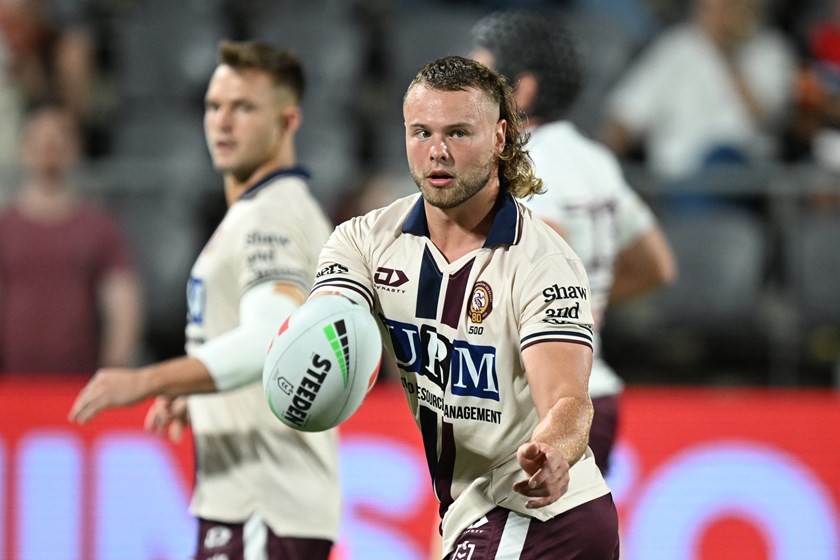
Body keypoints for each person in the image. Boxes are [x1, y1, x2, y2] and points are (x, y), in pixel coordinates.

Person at [309, 55, 619, 559]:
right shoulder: (362, 241)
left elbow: (567, 399)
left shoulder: (543, 261)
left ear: (499, 138)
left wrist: (555, 454)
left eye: (458, 132)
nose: (437, 151)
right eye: (421, 132)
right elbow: (325, 321)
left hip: (539, 511)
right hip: (474, 511)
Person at [68, 40, 340, 560]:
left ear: (288, 121)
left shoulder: (271, 216)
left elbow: (271, 338)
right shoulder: (269, 209)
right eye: (214, 106)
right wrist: (207, 391)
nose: (223, 122)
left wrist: (147, 378)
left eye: (244, 107)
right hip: (259, 504)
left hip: (263, 504)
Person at [470, 8, 677, 477]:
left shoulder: (525, 168)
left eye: (479, 79)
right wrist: (586, 305)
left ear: (521, 90)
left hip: (535, 409)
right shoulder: (593, 158)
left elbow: (542, 258)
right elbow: (655, 265)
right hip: (592, 394)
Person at [0, 104, 141, 373]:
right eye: (40, 140)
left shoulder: (99, 227)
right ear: (24, 149)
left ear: (75, 148)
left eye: (58, 140)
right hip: (11, 387)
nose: (49, 149)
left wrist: (115, 365)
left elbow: (123, 301)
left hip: (79, 385)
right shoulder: (5, 227)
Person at [600, 0, 796, 184]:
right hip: (682, 183)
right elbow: (626, 117)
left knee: (723, 157)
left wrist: (728, 55)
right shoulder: (674, 48)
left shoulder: (771, 49)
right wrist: (596, 168)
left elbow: (766, 115)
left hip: (747, 180)